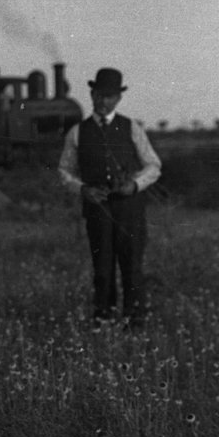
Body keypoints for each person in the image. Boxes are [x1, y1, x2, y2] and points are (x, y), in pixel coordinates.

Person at [57, 67, 161, 326]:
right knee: (102, 267)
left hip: (130, 209)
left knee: (131, 264)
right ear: (91, 95)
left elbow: (153, 165)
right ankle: (103, 317)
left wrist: (134, 185)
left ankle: (134, 320)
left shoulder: (132, 128)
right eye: (99, 95)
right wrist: (83, 189)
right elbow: (64, 171)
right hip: (97, 209)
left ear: (119, 98)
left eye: (109, 97)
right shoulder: (77, 132)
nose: (103, 101)